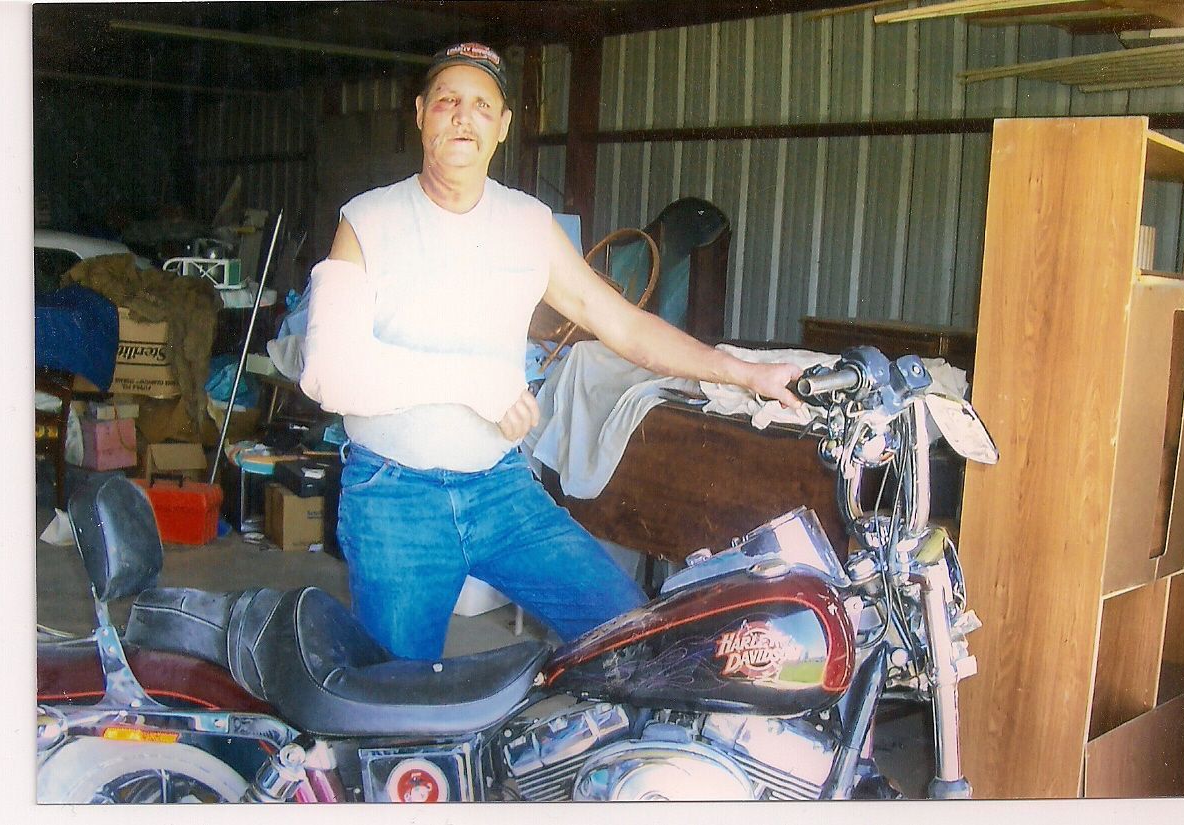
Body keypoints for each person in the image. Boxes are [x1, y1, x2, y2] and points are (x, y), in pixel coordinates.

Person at [300, 42, 805, 661]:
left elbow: (621, 324)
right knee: (398, 698)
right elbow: (328, 374)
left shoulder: (527, 223)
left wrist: (742, 372)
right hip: (394, 496)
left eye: (482, 105)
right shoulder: (367, 221)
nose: (463, 116)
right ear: (421, 113)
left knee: (629, 636)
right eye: (448, 101)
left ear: (503, 126)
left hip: (501, 488)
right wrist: (474, 382)